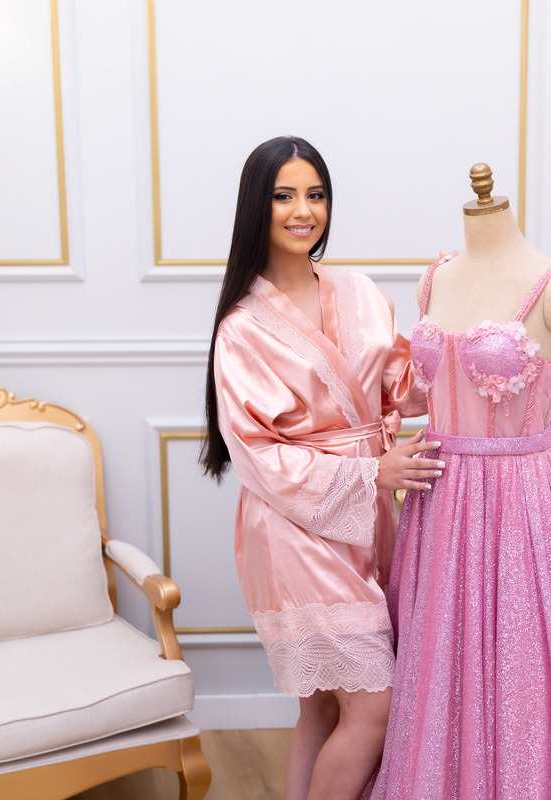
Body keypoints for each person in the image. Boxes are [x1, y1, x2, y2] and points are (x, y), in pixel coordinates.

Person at [372, 166, 551, 799]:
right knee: (440, 659)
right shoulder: (433, 280)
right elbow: (419, 392)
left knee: (523, 657)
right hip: (439, 496)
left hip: (519, 496)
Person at [200, 136, 436, 800]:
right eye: (284, 196)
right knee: (374, 707)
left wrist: (470, 349)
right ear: (257, 206)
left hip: (369, 516)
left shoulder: (358, 291)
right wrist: (369, 476)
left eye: (316, 195)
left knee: (324, 709)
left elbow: (402, 385)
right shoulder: (241, 328)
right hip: (294, 529)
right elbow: (257, 454)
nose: (303, 211)